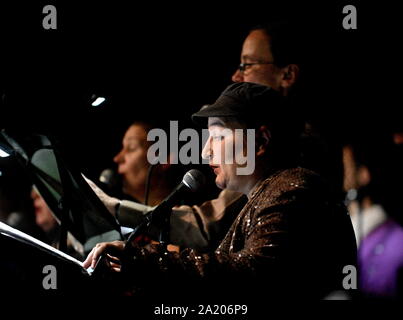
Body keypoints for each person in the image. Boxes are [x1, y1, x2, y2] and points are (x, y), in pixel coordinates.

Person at [84, 83, 357, 300]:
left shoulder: (292, 192)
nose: (206, 151)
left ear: (260, 141)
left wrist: (145, 261)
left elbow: (250, 276)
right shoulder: (272, 192)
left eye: (218, 137)